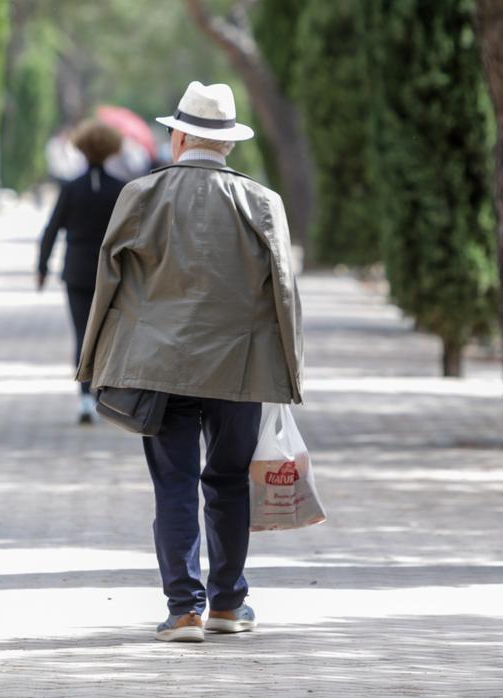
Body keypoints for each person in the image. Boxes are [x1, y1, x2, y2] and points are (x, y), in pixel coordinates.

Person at [76, 81, 304, 643]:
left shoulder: (141, 195)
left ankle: (183, 610)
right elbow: (286, 293)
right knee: (227, 480)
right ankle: (227, 603)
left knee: (173, 484)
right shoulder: (261, 202)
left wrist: (94, 365)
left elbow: (108, 282)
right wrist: (289, 374)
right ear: (227, 143)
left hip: (157, 367)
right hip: (241, 367)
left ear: (178, 136)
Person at [38, 119, 126, 424]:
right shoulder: (121, 189)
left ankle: (86, 399)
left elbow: (51, 229)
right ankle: (105, 395)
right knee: (107, 337)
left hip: (76, 272)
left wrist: (42, 268)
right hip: (113, 274)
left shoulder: (71, 188)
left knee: (82, 334)